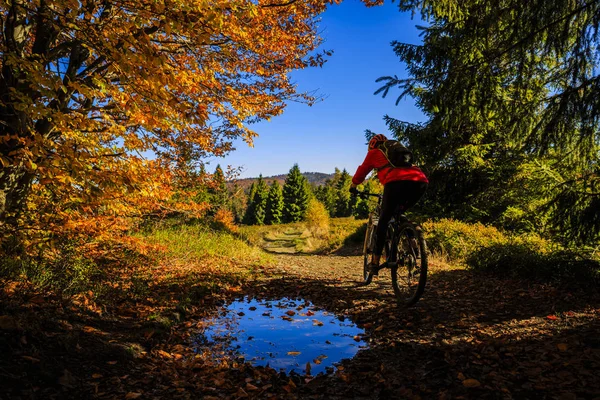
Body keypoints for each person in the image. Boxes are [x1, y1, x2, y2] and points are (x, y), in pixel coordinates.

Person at [350, 134, 428, 274]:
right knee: (400, 213)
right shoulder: (398, 152)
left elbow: (362, 171)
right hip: (420, 182)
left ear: (372, 145)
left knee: (383, 221)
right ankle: (416, 250)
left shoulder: (375, 152)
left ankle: (374, 262)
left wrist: (353, 185)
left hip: (396, 183)